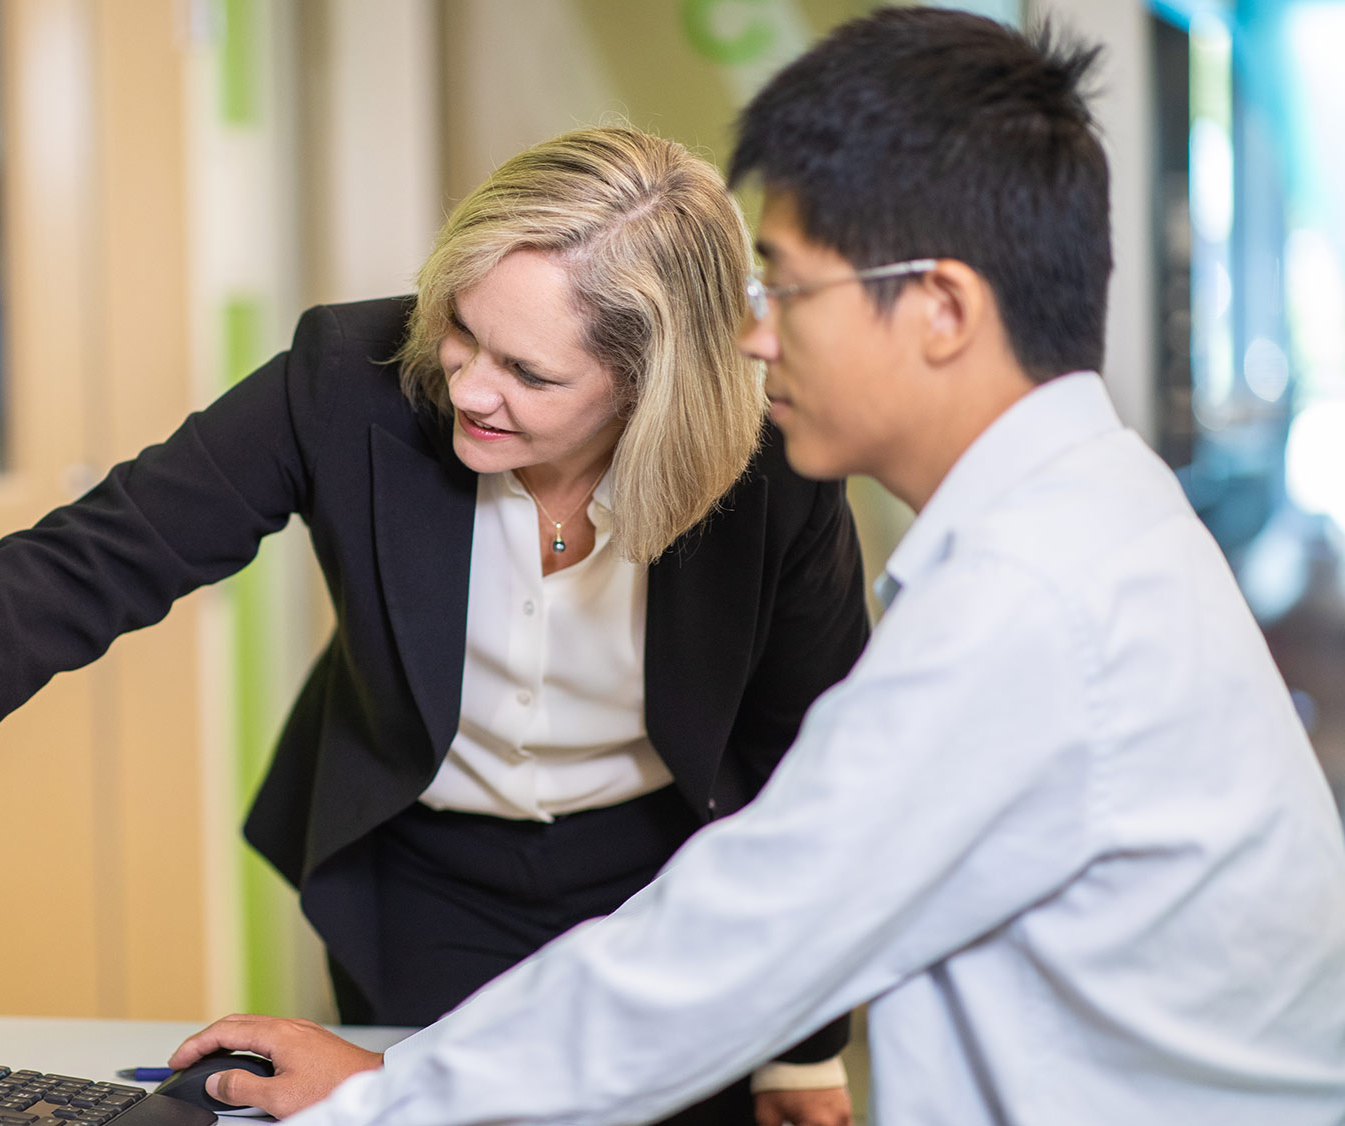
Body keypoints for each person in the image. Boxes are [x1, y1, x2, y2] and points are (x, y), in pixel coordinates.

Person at [165, 10, 1345, 1126]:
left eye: (783, 284)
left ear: (937, 306)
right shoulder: (1098, 518)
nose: (752, 332)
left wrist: (377, 1090)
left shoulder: (1024, 607)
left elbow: (724, 947)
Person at [0, 127, 869, 1123]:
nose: (463, 384)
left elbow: (815, 770)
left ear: (651, 388)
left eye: (529, 375)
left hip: (675, 877)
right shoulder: (349, 376)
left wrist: (800, 1049)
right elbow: (102, 552)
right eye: (460, 329)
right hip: (425, 876)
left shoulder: (770, 472)